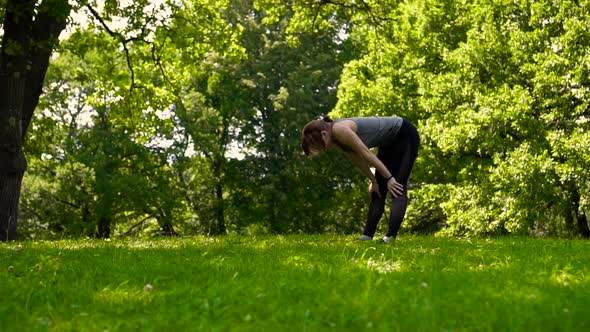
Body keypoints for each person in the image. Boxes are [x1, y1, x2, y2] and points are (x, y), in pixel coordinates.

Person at [301, 115, 420, 243]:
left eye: (321, 146)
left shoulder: (340, 130)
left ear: (324, 134)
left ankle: (389, 238)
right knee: (378, 189)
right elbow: (357, 159)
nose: (325, 149)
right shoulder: (335, 139)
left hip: (404, 133)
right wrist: (373, 181)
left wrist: (390, 178)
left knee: (397, 187)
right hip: (388, 141)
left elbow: (366, 153)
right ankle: (367, 236)